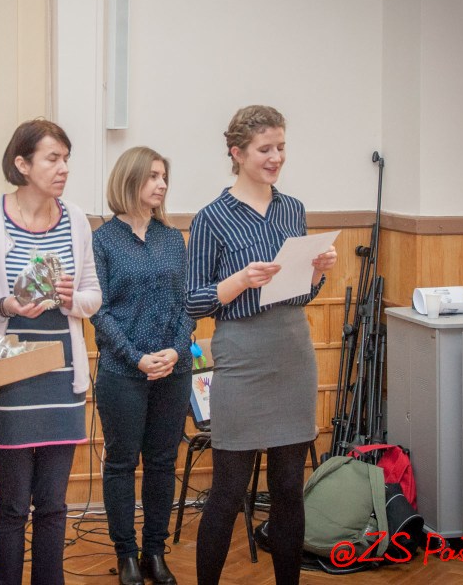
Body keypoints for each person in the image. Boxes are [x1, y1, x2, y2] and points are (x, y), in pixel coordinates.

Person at [185, 105, 337, 585]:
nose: (276, 157)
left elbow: (302, 294)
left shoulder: (292, 209)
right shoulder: (211, 218)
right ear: (237, 153)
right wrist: (240, 280)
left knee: (289, 487)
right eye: (264, 149)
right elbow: (193, 300)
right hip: (242, 355)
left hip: (293, 350)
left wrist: (316, 272)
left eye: (281, 147)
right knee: (228, 490)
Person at [0, 118, 101, 585]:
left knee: (53, 504)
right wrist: (4, 305)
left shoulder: (76, 219)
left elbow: (93, 297)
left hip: (63, 378)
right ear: (22, 163)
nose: (63, 168)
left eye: (66, 159)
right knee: (14, 504)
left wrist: (71, 299)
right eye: (53, 158)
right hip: (8, 378)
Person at [91, 146, 195, 585]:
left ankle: (155, 551)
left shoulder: (172, 239)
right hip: (122, 373)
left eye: (164, 176)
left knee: (162, 463)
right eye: (153, 175)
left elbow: (187, 304)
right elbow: (98, 310)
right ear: (130, 178)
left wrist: (176, 349)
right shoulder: (102, 240)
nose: (161, 184)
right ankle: (127, 555)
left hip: (173, 370)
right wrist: (136, 356)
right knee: (120, 463)